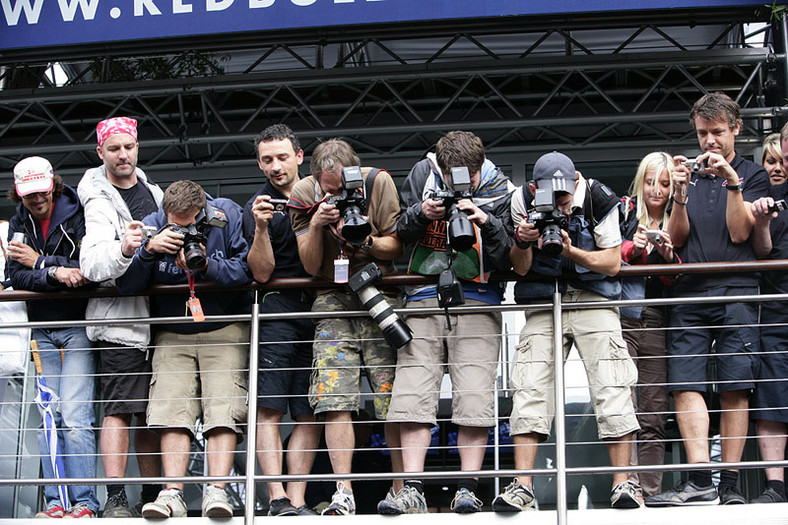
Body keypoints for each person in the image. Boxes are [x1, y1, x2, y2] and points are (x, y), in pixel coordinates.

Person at [379, 131, 514, 514]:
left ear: (480, 167)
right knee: (411, 395)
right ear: (439, 165)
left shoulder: (501, 187)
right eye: (453, 175)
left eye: (468, 177)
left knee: (474, 396)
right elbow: (398, 233)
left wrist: (485, 220)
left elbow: (509, 255)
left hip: (478, 299)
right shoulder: (422, 173)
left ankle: (468, 487)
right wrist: (423, 213)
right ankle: (412, 487)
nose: (461, 184)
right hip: (422, 298)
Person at [499, 151, 641, 512]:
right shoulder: (520, 200)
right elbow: (520, 268)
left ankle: (623, 485)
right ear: (535, 189)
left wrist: (570, 250)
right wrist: (522, 240)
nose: (560, 208)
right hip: (544, 300)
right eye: (552, 199)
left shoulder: (597, 197)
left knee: (612, 383)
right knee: (529, 386)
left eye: (564, 199)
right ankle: (522, 487)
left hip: (594, 297)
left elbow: (611, 264)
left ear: (576, 183)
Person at [646, 92, 770, 506]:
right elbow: (677, 237)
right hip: (690, 290)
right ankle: (700, 479)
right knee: (685, 381)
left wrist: (731, 180)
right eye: (702, 133)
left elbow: (740, 233)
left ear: (736, 128)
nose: (709, 142)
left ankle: (731, 483)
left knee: (736, 384)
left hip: (738, 287)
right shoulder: (689, 174)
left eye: (717, 132)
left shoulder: (753, 174)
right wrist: (679, 193)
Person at [115, 180, 252, 518]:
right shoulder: (152, 220)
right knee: (172, 414)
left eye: (187, 222)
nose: (180, 228)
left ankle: (217, 493)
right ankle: (172, 493)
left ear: (201, 210)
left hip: (224, 328)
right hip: (171, 333)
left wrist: (206, 265)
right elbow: (126, 285)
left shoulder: (228, 213)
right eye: (173, 222)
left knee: (223, 413)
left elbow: (248, 270)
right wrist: (149, 250)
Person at [288, 138, 403, 515]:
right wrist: (319, 224)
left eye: (342, 188)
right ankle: (343, 491)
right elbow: (308, 265)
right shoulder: (304, 193)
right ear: (316, 179)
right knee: (335, 398)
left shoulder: (377, 182)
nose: (336, 194)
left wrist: (365, 239)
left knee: (391, 397)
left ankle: (401, 488)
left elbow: (396, 247)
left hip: (379, 291)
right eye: (329, 189)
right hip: (332, 296)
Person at [78, 116, 164, 517]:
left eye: (128, 146)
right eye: (113, 149)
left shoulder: (153, 190)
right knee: (119, 409)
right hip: (120, 322)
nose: (122, 154)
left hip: (158, 321)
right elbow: (92, 263)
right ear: (101, 153)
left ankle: (150, 494)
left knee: (151, 413)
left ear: (137, 147)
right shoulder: (97, 198)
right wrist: (126, 248)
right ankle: (115, 497)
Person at [7, 156, 99, 518]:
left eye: (42, 191)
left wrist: (40, 262)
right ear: (18, 194)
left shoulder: (79, 211)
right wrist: (54, 271)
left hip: (78, 324)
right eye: (29, 194)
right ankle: (56, 502)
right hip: (40, 327)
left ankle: (86, 504)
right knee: (50, 417)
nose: (37, 199)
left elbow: (88, 268)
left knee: (75, 417)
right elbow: (16, 276)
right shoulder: (19, 220)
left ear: (53, 184)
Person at [242, 124, 322, 516]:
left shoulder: (322, 195)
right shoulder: (257, 206)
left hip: (322, 308)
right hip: (276, 309)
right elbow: (260, 273)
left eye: (282, 157)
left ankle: (298, 498)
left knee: (310, 410)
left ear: (299, 156)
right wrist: (259, 227)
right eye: (267, 159)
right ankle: (276, 497)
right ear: (259, 163)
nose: (276, 166)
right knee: (269, 409)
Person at [618, 152, 678, 497]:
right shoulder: (625, 210)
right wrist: (631, 247)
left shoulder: (679, 216)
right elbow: (608, 253)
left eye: (665, 183)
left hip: (657, 315)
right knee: (625, 406)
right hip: (624, 315)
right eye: (651, 181)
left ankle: (650, 490)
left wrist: (668, 255)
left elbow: (678, 276)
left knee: (654, 410)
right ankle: (625, 485)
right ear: (641, 181)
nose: (657, 190)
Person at [746, 124, 788, 504]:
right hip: (776, 306)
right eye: (773, 159)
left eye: (784, 159)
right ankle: (775, 485)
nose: (779, 166)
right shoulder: (767, 197)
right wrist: (761, 220)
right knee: (772, 394)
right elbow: (762, 252)